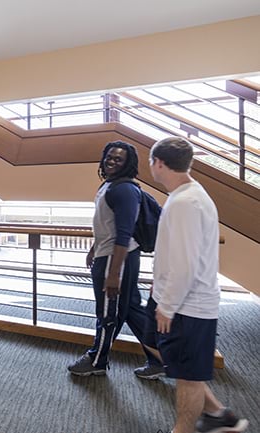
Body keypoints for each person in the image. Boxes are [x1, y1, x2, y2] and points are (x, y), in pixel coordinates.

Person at [142, 136, 248, 433]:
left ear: (159, 163)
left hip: (187, 306)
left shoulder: (187, 203)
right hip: (170, 295)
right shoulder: (184, 195)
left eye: (151, 163)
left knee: (187, 375)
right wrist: (158, 286)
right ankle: (217, 413)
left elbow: (186, 264)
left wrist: (168, 306)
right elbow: (176, 253)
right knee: (153, 344)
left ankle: (184, 429)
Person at [68, 140, 164, 378]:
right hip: (110, 254)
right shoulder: (110, 185)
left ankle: (97, 360)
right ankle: (160, 359)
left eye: (118, 159)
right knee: (131, 308)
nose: (111, 161)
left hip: (116, 259)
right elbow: (106, 225)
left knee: (108, 313)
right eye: (109, 157)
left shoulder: (124, 190)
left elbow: (124, 233)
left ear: (127, 163)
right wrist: (93, 248)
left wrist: (113, 274)